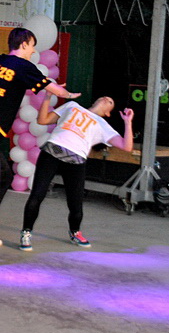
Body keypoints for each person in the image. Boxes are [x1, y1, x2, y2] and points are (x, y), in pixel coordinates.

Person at [0, 28, 80, 268]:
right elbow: (53, 89)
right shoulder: (23, 66)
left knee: (5, 177)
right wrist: (67, 93)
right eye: (32, 45)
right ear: (23, 44)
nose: (33, 51)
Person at [19, 95, 134, 251]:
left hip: (76, 159)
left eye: (110, 101)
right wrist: (47, 97)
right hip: (52, 151)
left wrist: (128, 122)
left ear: (108, 112)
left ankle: (75, 232)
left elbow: (127, 146)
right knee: (37, 194)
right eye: (104, 97)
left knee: (75, 203)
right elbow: (43, 120)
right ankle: (26, 232)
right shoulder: (72, 106)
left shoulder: (103, 125)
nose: (106, 99)